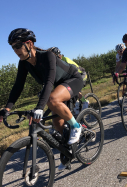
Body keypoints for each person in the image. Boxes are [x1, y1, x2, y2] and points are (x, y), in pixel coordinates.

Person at [0, 28, 84, 171]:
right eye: (12, 47)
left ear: (29, 44)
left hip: (73, 80)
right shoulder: (24, 63)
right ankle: (67, 151)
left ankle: (77, 127)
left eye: (17, 46)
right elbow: (18, 86)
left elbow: (49, 82)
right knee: (57, 123)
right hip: (59, 86)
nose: (15, 50)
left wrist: (39, 107)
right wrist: (7, 108)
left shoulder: (48, 56)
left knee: (52, 100)